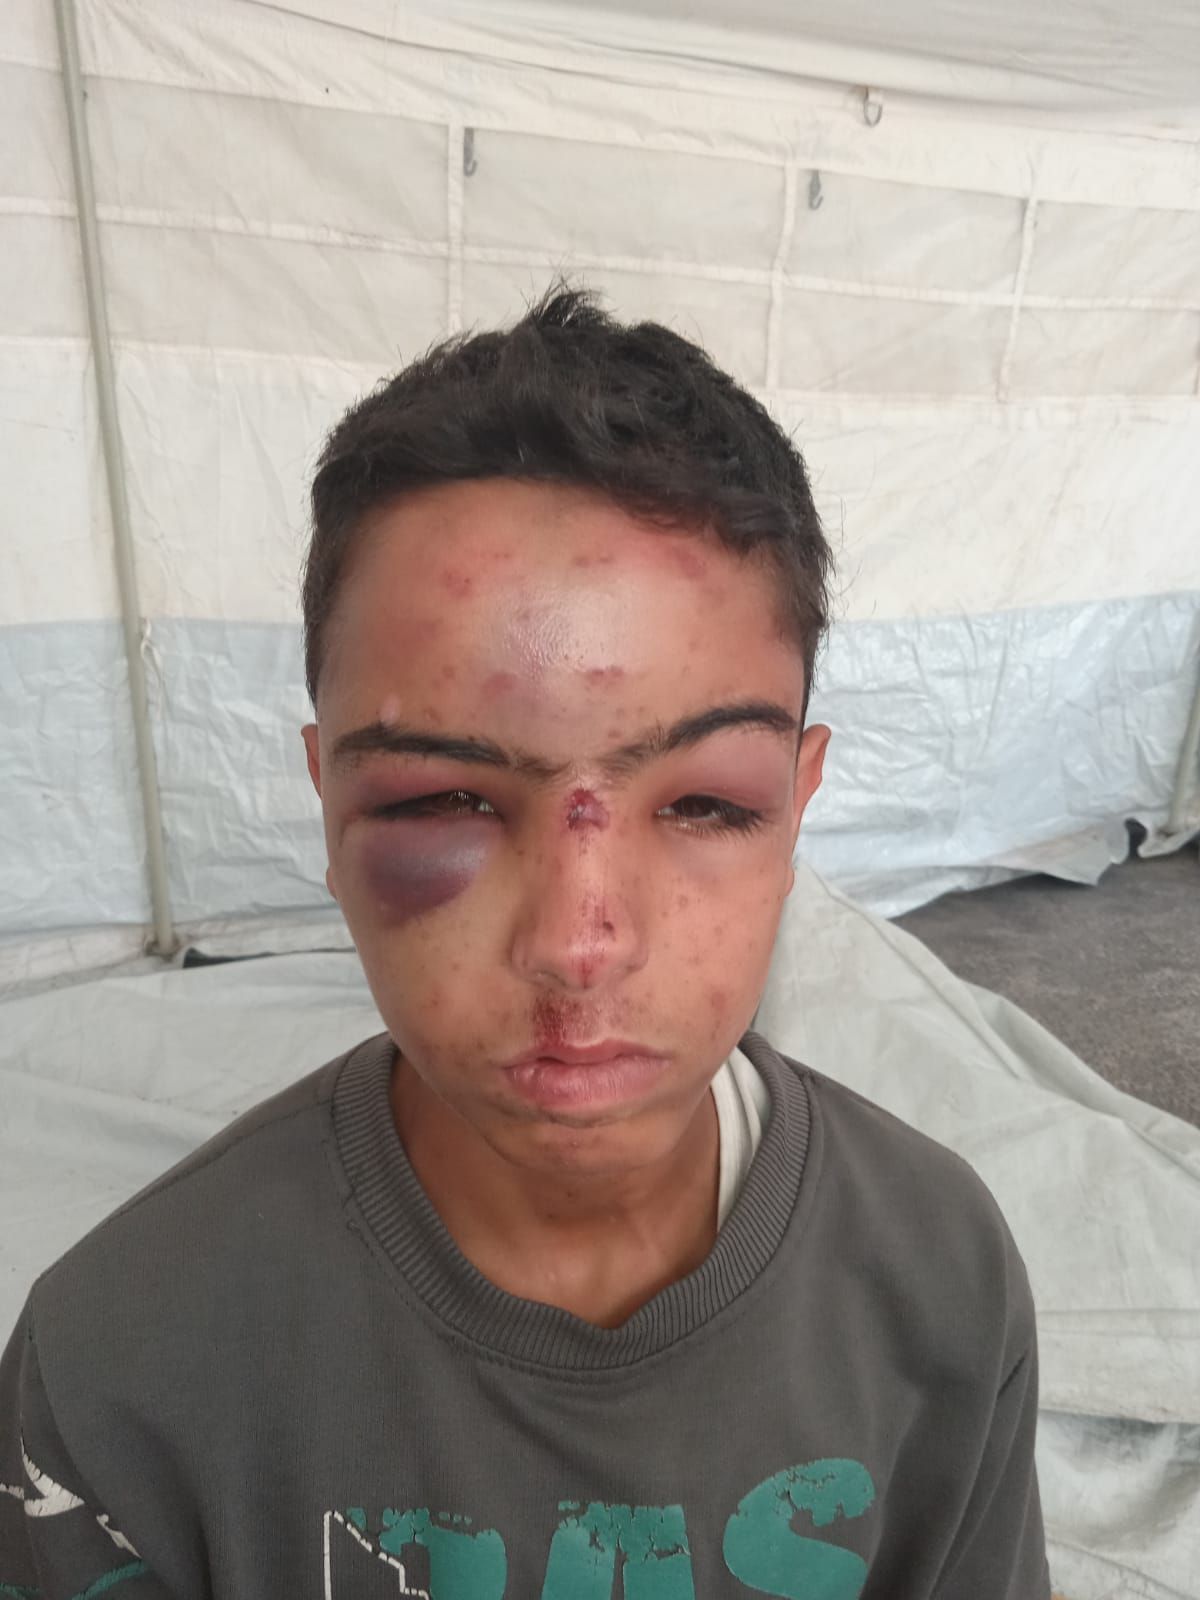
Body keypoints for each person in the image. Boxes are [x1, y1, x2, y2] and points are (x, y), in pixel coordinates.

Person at [0, 286, 1051, 1599]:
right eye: (445, 802)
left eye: (705, 805)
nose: (579, 945)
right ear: (329, 807)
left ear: (797, 805)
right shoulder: (118, 1373)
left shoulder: (941, 1281)